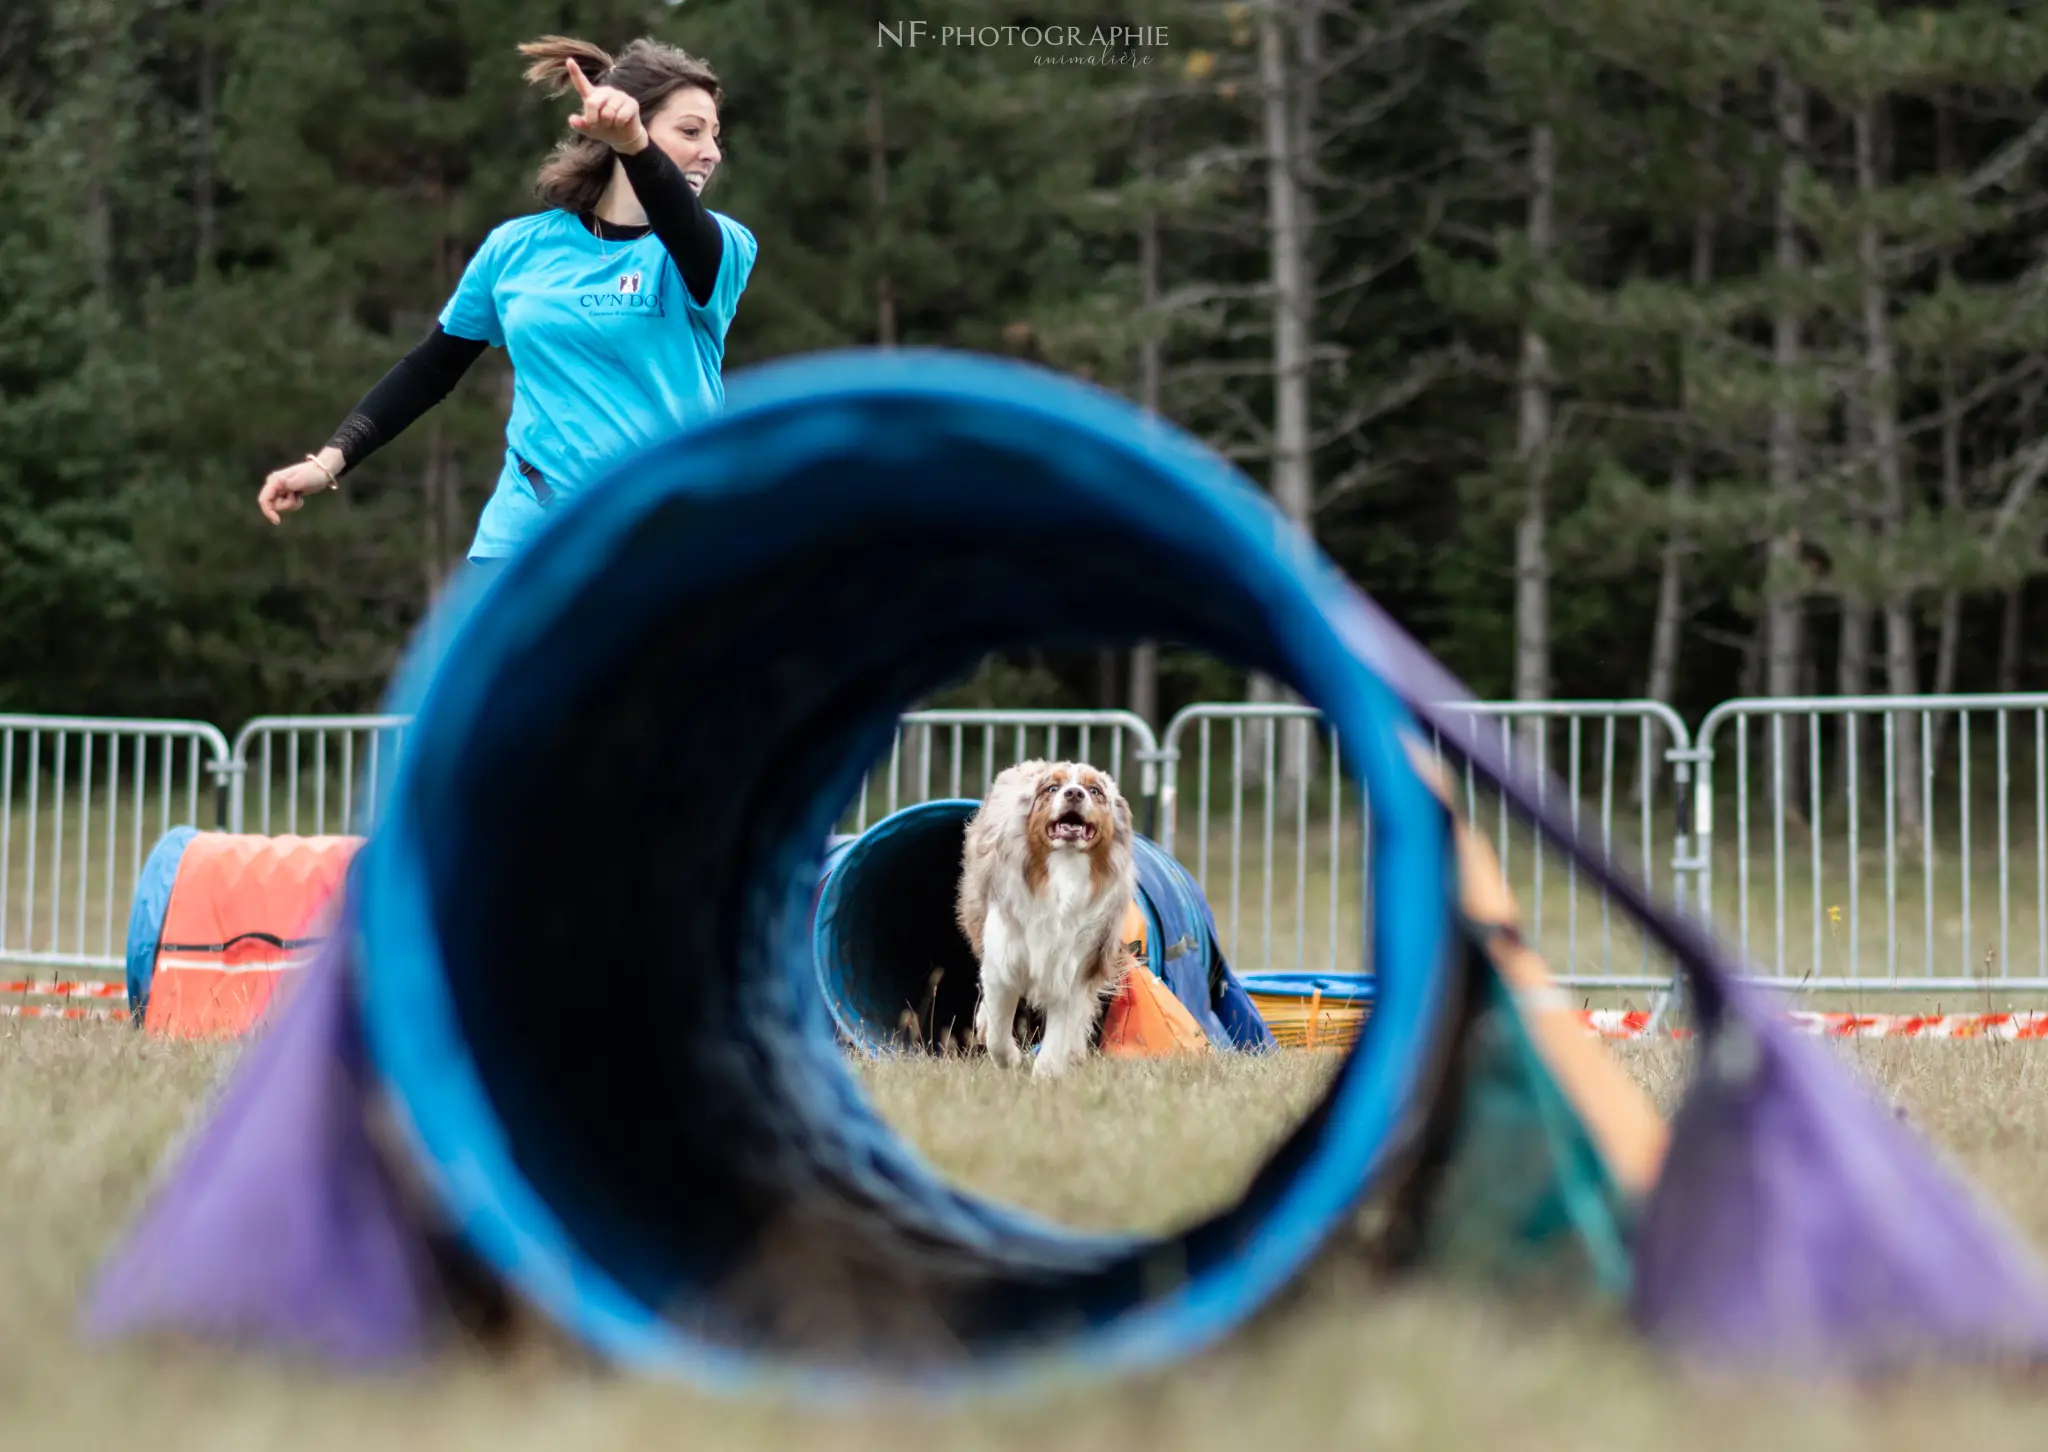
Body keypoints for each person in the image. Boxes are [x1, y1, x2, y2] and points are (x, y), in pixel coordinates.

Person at [255, 35, 757, 575]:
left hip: (663, 539)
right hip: (527, 540)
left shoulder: (718, 247)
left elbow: (680, 222)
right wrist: (328, 461)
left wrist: (637, 143)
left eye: (714, 135)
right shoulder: (517, 249)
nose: (711, 151)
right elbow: (430, 369)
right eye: (690, 131)